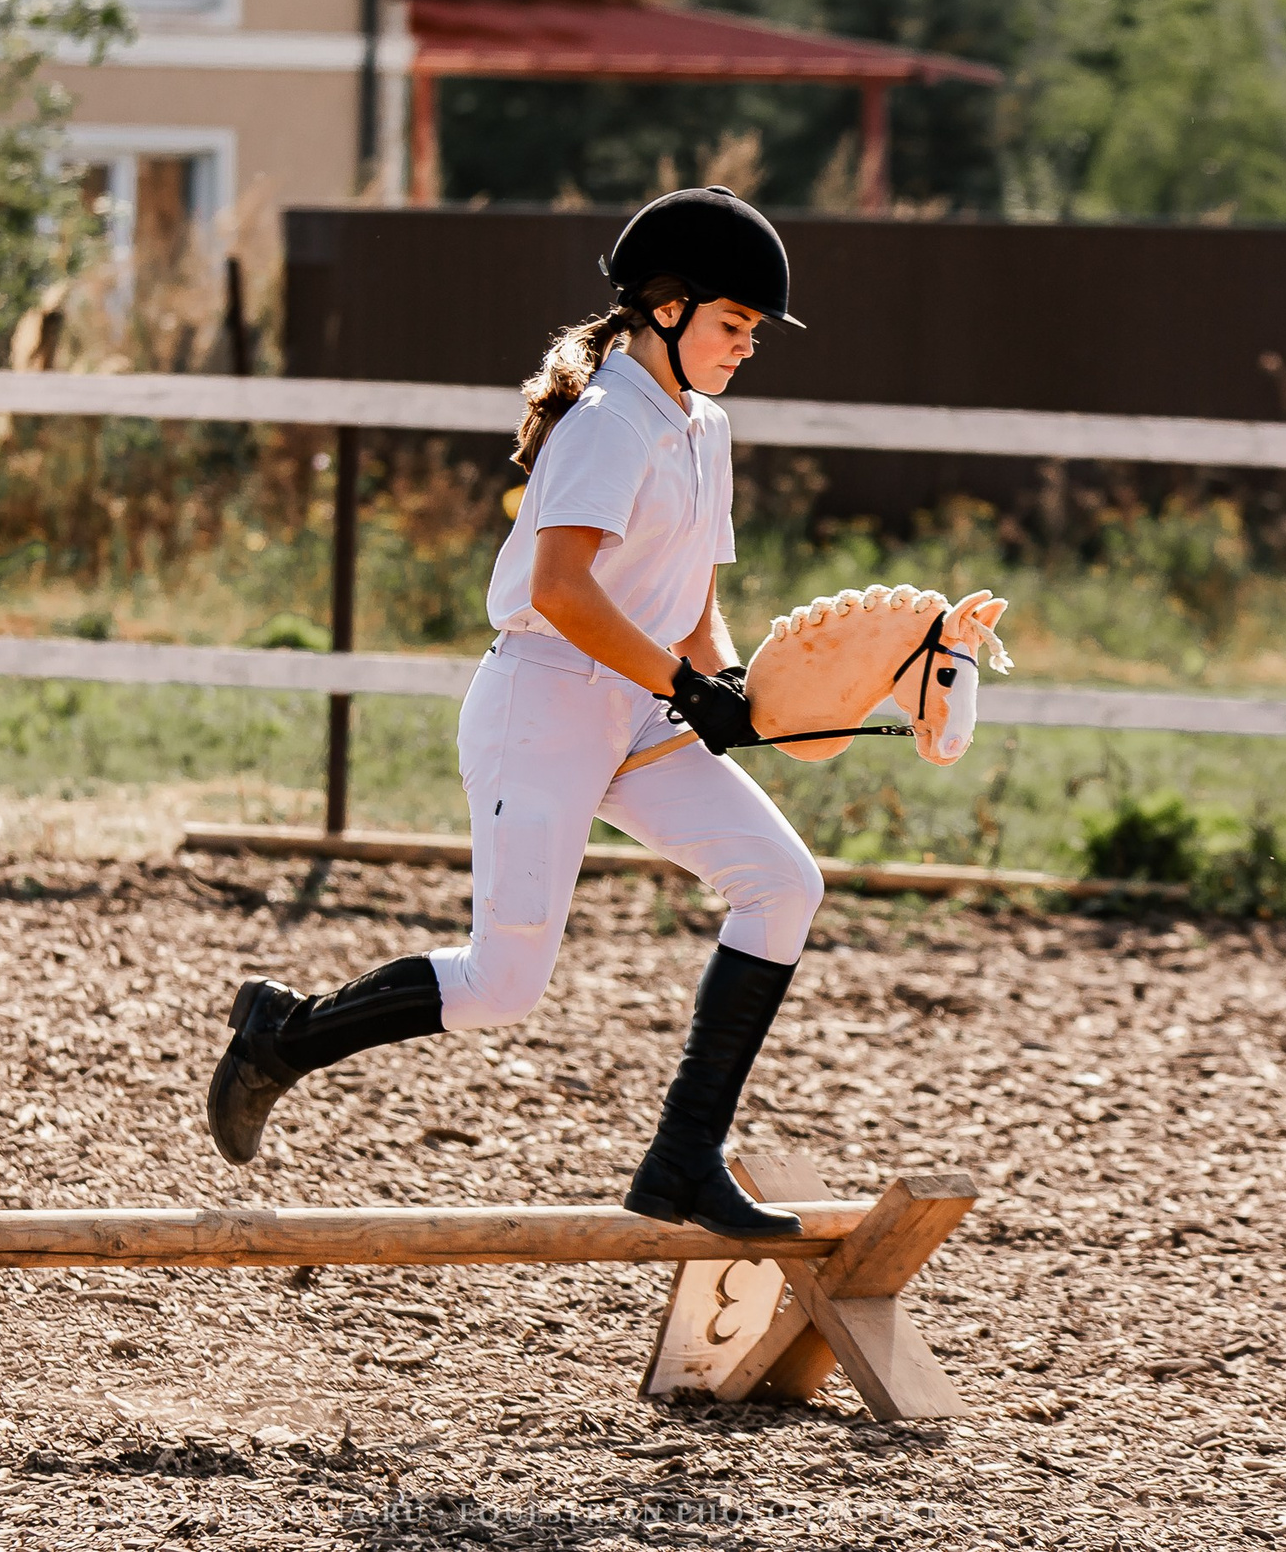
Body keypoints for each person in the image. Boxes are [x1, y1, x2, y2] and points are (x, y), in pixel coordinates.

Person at [202, 188, 824, 1241]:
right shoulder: (607, 423)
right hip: (542, 701)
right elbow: (567, 592)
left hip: (634, 707)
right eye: (734, 324)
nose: (746, 347)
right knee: (500, 983)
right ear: (664, 310)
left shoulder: (702, 426)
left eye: (754, 332)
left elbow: (694, 597)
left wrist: (736, 693)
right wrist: (686, 688)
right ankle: (284, 1035)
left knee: (782, 882)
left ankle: (682, 1159)